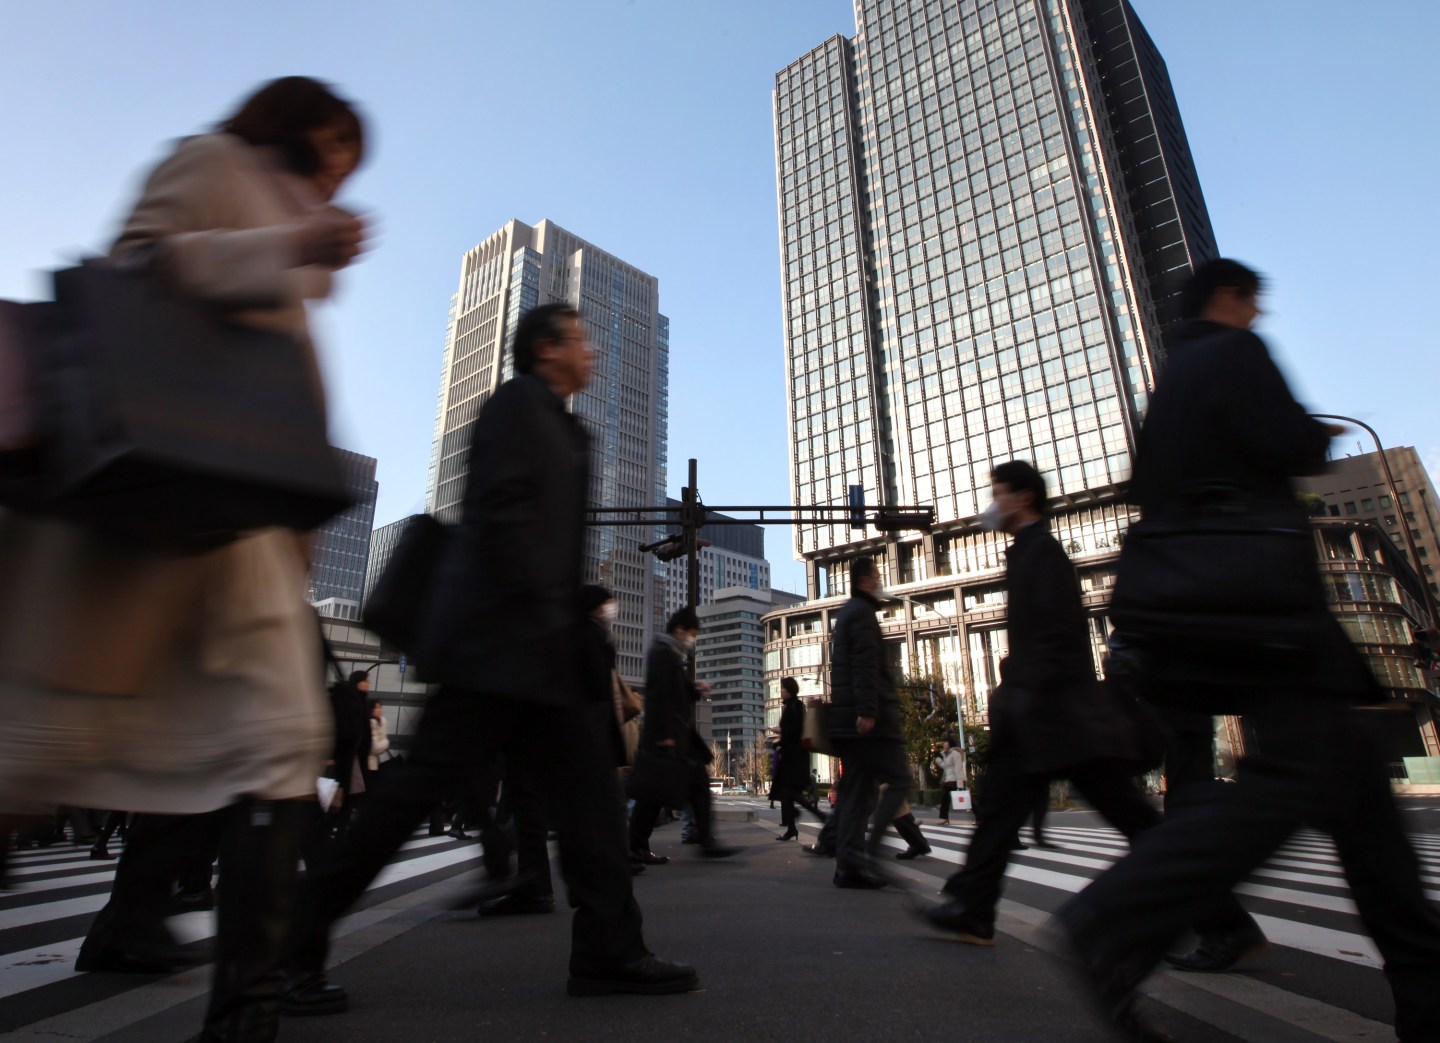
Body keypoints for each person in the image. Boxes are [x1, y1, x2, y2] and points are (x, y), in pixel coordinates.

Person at [0, 76, 366, 1042]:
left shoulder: (286, 218)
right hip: (153, 512)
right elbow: (138, 271)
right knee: (40, 746)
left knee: (277, 744)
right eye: (333, 144)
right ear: (288, 126)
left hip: (235, 526)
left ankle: (246, 1011)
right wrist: (285, 246)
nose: (339, 170)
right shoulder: (209, 161)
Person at [1054, 260, 1440, 1042]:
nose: (1258, 317)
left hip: (1205, 610)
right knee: (1296, 783)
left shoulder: (1165, 390)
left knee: (1362, 809)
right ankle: (1114, 917)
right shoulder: (1235, 354)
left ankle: (1428, 998)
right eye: (1253, 304)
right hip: (1272, 612)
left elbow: (1152, 492)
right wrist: (1315, 431)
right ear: (1229, 300)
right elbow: (1289, 443)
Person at [282, 304, 697, 1012]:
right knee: (410, 797)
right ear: (544, 348)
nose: (591, 352)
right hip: (499, 650)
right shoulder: (516, 408)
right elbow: (500, 517)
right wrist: (541, 613)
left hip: (538, 655)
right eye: (580, 340)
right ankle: (289, 949)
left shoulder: (563, 425)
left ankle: (610, 949)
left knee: (592, 805)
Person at [919, 462, 1162, 945]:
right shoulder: (1028, 553)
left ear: (1023, 498)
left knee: (1126, 815)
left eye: (999, 493)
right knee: (1003, 810)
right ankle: (973, 907)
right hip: (1045, 710)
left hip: (1053, 711)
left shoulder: (1042, 554)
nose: (993, 504)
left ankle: (1221, 915)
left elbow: (1055, 636)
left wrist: (1022, 691)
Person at [628, 608, 738, 862]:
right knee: (654, 794)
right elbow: (658, 698)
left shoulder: (668, 654)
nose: (693, 639)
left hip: (674, 736)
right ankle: (637, 846)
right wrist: (665, 736)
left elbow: (673, 692)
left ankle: (639, 845)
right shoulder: (663, 654)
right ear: (680, 630)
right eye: (692, 634)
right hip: (668, 736)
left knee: (663, 792)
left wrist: (693, 689)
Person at [827, 557, 909, 889]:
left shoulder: (848, 613)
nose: (880, 581)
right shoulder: (861, 614)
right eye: (876, 576)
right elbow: (864, 664)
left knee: (855, 795)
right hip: (868, 721)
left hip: (849, 722)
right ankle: (870, 852)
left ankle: (849, 865)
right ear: (863, 581)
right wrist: (868, 709)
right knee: (900, 780)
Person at [774, 677, 816, 840]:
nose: (781, 691)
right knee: (787, 794)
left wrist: (781, 738)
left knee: (791, 793)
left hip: (795, 757)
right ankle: (792, 828)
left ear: (789, 690)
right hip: (791, 756)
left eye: (783, 688)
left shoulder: (796, 706)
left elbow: (796, 730)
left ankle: (819, 814)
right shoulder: (791, 706)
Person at [933, 737, 964, 826]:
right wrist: (939, 761)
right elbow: (946, 766)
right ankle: (944, 818)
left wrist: (960, 784)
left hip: (954, 780)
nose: (944, 745)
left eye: (945, 743)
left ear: (949, 744)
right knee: (944, 800)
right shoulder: (946, 754)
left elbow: (958, 769)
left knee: (964, 798)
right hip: (947, 779)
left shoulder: (955, 754)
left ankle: (979, 815)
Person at [365, 701, 390, 776]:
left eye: (380, 707)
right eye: (377, 707)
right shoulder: (371, 723)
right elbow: (374, 747)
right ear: (371, 709)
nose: (379, 710)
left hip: (375, 762)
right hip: (369, 763)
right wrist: (386, 742)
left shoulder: (380, 722)